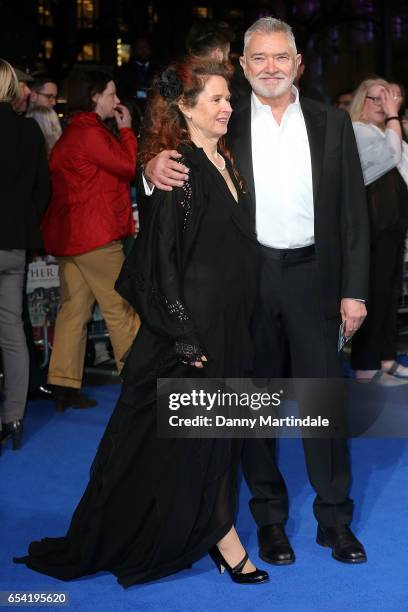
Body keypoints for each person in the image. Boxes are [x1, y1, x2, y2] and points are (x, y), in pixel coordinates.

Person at [15, 59, 268, 587]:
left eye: (228, 99)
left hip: (230, 321)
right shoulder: (178, 168)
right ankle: (222, 538)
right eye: (216, 99)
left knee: (222, 435)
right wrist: (182, 333)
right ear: (185, 107)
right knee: (156, 441)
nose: (226, 108)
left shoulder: (227, 158)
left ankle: (219, 531)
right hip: (192, 326)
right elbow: (161, 260)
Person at [144, 17, 370, 566]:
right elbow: (179, 150)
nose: (270, 68)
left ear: (297, 63)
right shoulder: (227, 119)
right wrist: (149, 169)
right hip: (247, 282)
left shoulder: (332, 122)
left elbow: (352, 215)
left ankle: (334, 519)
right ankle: (270, 521)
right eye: (259, 59)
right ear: (243, 67)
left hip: (315, 276)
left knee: (321, 405)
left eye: (280, 58)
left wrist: (354, 291)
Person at [40, 70, 140, 411]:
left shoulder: (73, 134)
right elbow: (129, 166)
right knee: (121, 308)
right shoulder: (89, 133)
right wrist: (127, 131)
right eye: (112, 94)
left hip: (72, 237)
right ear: (95, 95)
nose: (117, 101)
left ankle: (63, 387)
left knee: (74, 312)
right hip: (95, 237)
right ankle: (138, 385)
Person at [0, 59, 50, 452]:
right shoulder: (28, 130)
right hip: (15, 242)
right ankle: (14, 416)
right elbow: (42, 189)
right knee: (13, 330)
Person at [349, 78, 408, 385]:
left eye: (387, 100)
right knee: (374, 294)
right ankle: (366, 365)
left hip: (393, 225)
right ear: (363, 100)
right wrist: (394, 117)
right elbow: (392, 156)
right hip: (375, 225)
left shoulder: (382, 130)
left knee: (390, 293)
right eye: (376, 99)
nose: (382, 105)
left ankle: (385, 359)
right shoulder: (357, 130)